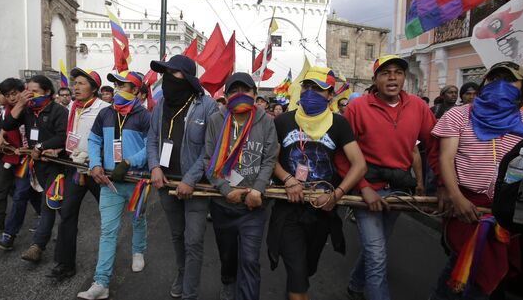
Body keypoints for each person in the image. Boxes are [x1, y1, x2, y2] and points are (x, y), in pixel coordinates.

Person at [430, 61, 523, 300]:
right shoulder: (459, 115)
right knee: (467, 271)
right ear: (484, 83)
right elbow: (446, 158)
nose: (501, 86)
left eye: (509, 81)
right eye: (494, 79)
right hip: (468, 208)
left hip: (510, 215)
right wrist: (456, 198)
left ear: (521, 89)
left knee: (492, 278)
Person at [344, 55, 440, 300]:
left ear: (404, 78)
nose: (392, 77)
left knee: (376, 249)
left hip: (399, 190)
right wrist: (363, 187)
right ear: (375, 79)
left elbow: (435, 146)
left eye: (398, 72)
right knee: (376, 253)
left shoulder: (418, 106)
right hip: (367, 191)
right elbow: (343, 154)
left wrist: (441, 184)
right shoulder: (357, 107)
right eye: (386, 73)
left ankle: (355, 284)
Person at [267, 67, 367, 300]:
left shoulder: (339, 124)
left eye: (318, 89)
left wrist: (337, 195)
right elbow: (270, 160)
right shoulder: (283, 121)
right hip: (288, 209)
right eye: (307, 87)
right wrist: (289, 179)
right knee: (298, 277)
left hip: (322, 212)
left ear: (330, 95)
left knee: (306, 269)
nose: (310, 93)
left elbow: (359, 165)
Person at [147, 54, 218, 299]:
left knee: (194, 241)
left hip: (196, 187)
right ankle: (182, 273)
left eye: (173, 73)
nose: (167, 78)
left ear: (187, 77)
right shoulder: (159, 106)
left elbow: (211, 150)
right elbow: (152, 140)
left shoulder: (207, 106)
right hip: (166, 184)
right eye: (165, 73)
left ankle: (190, 292)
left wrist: (190, 179)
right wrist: (155, 166)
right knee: (177, 235)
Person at [204, 72, 278, 300]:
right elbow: (208, 160)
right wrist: (226, 191)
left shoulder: (266, 121)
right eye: (233, 91)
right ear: (225, 96)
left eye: (245, 90)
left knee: (249, 259)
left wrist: (257, 190)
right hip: (222, 205)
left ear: (255, 95)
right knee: (228, 255)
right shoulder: (216, 120)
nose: (239, 95)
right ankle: (228, 281)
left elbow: (269, 159)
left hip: (253, 206)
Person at [77, 70, 150, 300]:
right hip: (109, 182)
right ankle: (101, 283)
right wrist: (96, 164)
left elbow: (151, 146)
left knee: (138, 219)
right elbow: (94, 139)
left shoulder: (144, 115)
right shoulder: (106, 114)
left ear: (137, 91)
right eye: (116, 85)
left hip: (137, 180)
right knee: (107, 231)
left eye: (124, 85)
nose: (117, 89)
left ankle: (138, 250)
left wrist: (129, 162)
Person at [47, 68, 110, 281]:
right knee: (67, 214)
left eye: (82, 83)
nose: (76, 87)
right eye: (75, 83)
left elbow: (109, 141)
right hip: (75, 169)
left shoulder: (105, 109)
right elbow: (71, 136)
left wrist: (96, 159)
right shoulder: (73, 106)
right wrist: (59, 150)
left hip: (97, 170)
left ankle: (108, 266)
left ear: (94, 88)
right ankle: (64, 264)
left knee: (109, 218)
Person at [2, 75, 68, 261]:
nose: (30, 95)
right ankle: (67, 229)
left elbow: (63, 136)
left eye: (35, 92)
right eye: (27, 91)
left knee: (48, 202)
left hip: (57, 165)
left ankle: (37, 246)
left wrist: (40, 147)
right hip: (37, 165)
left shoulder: (58, 110)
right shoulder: (28, 110)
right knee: (60, 205)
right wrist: (20, 104)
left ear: (47, 91)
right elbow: (7, 125)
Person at [0, 78, 41, 239]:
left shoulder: (31, 109)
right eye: (7, 95)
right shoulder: (4, 113)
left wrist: (28, 149)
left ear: (23, 90)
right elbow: (5, 126)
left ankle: (11, 233)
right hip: (7, 158)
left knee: (23, 194)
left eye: (14, 93)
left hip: (26, 159)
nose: (12, 98)